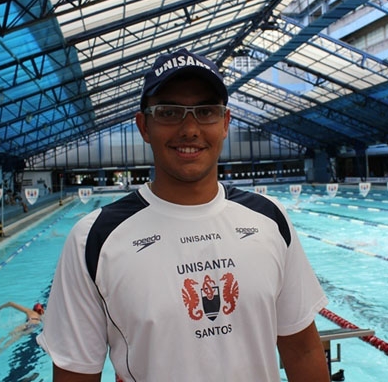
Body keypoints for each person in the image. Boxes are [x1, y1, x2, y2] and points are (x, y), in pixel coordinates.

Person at [37, 48, 330, 382]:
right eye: (169, 112)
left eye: (206, 111)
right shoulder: (94, 238)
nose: (190, 129)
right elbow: (75, 374)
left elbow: (302, 350)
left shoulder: (270, 219)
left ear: (225, 123)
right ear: (143, 125)